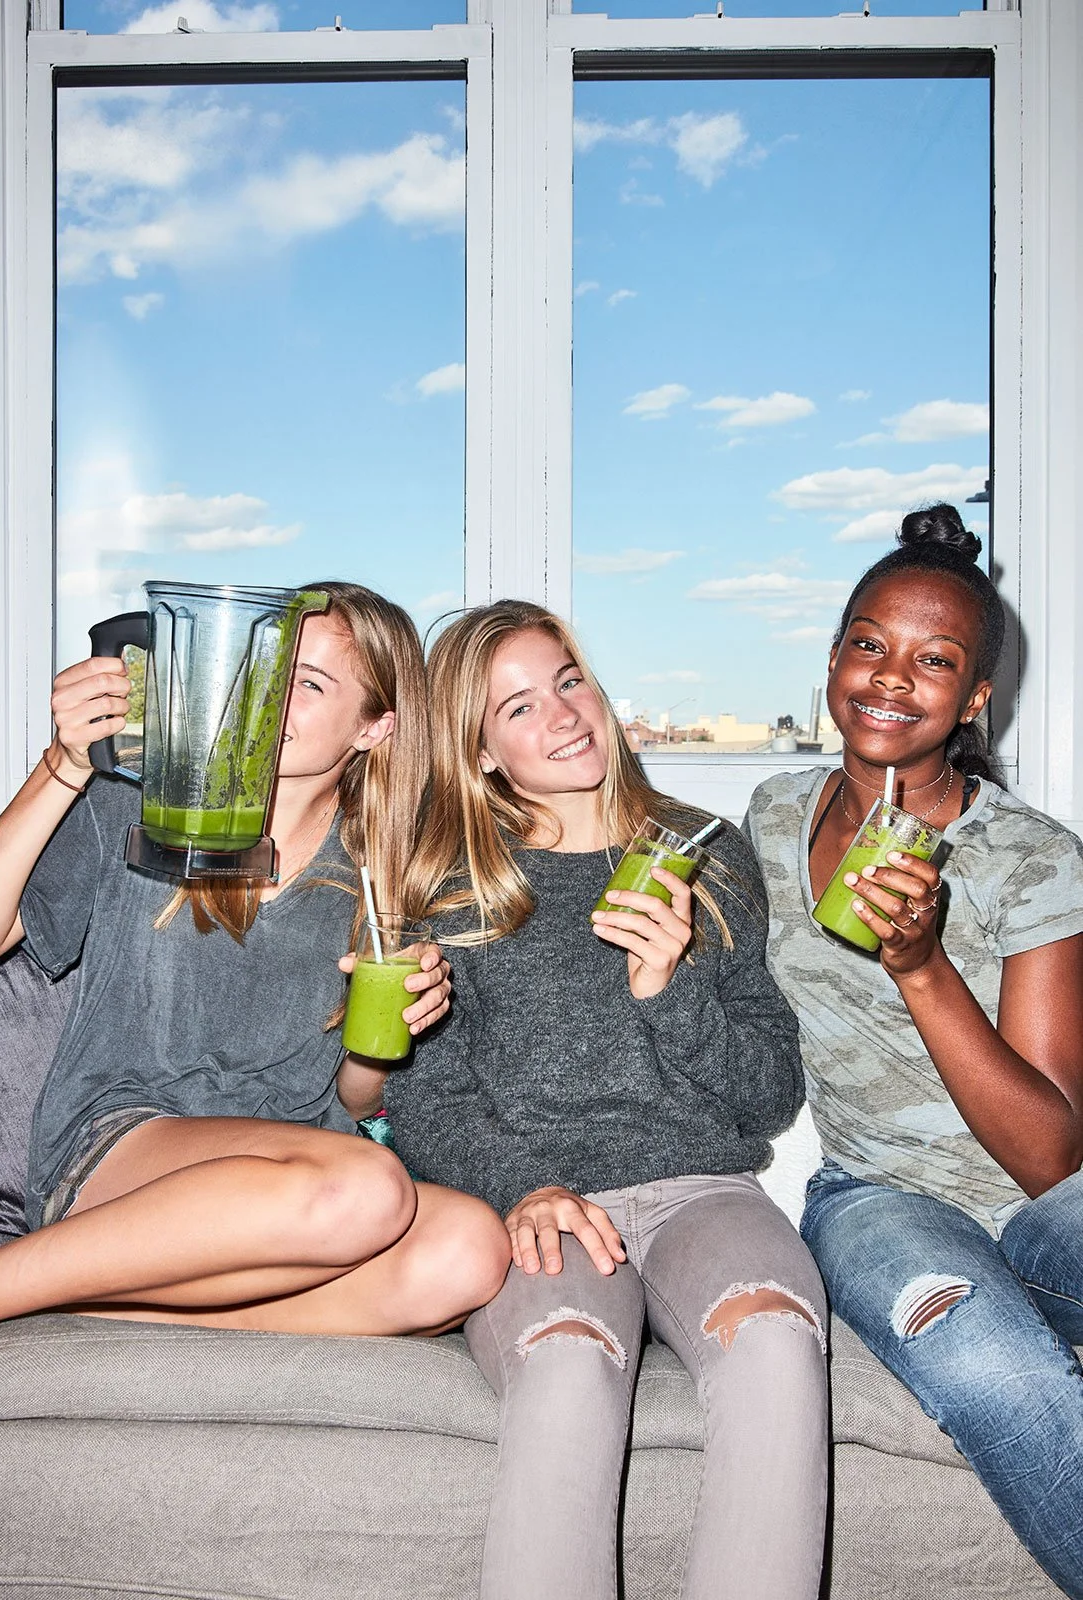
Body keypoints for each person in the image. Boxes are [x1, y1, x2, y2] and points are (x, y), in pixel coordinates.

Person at [0, 581, 509, 1381]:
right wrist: (63, 766)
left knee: (468, 1251)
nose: (271, 699)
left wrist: (386, 1036)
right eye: (268, 672)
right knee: (368, 1190)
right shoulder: (140, 803)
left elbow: (355, 1097)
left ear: (376, 727)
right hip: (122, 1150)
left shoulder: (385, 874)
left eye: (309, 684)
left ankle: (35, 1287)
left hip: (301, 1187)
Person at [383, 600, 829, 1600]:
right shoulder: (452, 888)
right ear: (481, 752)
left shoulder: (706, 857)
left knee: (774, 1341)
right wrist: (524, 1185)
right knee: (568, 1365)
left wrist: (667, 990)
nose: (563, 715)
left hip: (704, 1192)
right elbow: (426, 1105)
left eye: (568, 681)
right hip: (543, 1207)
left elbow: (769, 1092)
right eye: (518, 707)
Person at [743, 505, 1083, 1599]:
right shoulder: (771, 813)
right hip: (878, 1199)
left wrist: (922, 965)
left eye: (934, 660)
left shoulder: (1029, 857)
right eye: (868, 644)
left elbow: (1051, 1159)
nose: (891, 678)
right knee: (990, 1366)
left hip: (1039, 1202)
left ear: (975, 697)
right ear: (833, 658)